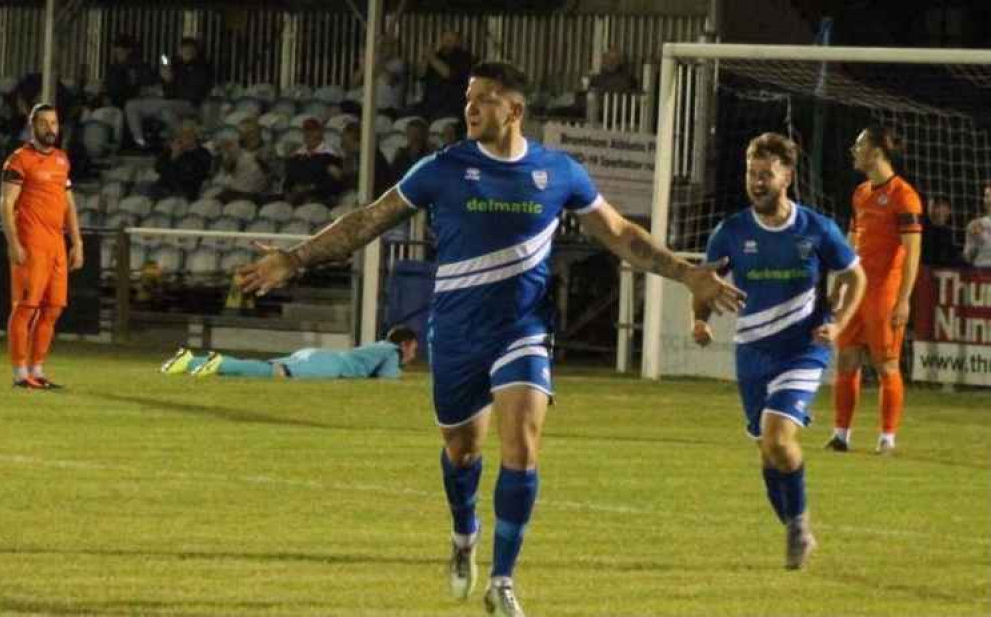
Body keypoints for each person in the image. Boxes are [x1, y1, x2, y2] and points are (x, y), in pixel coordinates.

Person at [238, 61, 744, 616]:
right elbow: (367, 220)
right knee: (462, 451)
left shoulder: (559, 172)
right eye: (468, 98)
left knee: (522, 447)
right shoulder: (442, 168)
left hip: (523, 330)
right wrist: (296, 257)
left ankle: (502, 580)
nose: (470, 108)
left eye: (483, 98)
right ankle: (463, 535)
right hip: (457, 335)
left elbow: (622, 236)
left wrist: (687, 272)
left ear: (515, 110)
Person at [693, 132, 866, 570]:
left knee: (778, 437)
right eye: (752, 174)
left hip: (803, 351)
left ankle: (800, 523)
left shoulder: (816, 229)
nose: (756, 182)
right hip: (752, 354)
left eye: (765, 174)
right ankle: (794, 527)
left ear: (787, 176)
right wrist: (699, 319)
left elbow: (854, 277)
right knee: (767, 450)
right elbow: (705, 281)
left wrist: (839, 322)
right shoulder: (731, 232)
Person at [826, 126, 922, 455]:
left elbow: (912, 252)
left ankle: (887, 439)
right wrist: (839, 283)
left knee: (886, 364)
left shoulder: (904, 195)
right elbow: (851, 246)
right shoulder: (861, 193)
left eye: (860, 144)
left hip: (885, 292)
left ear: (877, 152)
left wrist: (904, 299)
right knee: (847, 359)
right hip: (857, 291)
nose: (854, 150)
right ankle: (841, 435)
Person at [0, 103, 85, 389]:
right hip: (31, 243)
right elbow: (6, 203)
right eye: (44, 123)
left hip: (57, 244)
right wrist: (13, 243)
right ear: (32, 125)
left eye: (55, 123)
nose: (51, 129)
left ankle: (37, 368)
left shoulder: (62, 160)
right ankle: (19, 373)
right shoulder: (18, 160)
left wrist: (78, 242)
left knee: (53, 309)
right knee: (26, 307)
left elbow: (68, 204)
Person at [160, 326, 418, 379]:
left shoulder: (378, 347)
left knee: (263, 368)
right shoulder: (392, 351)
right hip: (330, 366)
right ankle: (220, 363)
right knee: (277, 373)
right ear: (405, 344)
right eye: (413, 350)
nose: (413, 356)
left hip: (317, 355)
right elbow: (388, 379)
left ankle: (191, 361)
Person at [125, 37, 213, 150]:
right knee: (132, 105)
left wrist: (173, 80)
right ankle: (140, 142)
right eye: (184, 49)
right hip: (170, 103)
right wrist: (165, 79)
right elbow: (164, 76)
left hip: (190, 104)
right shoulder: (175, 64)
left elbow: (195, 92)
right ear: (180, 50)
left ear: (195, 51)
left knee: (165, 108)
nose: (186, 52)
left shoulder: (202, 66)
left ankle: (189, 143)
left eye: (190, 49)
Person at [282, 117, 344, 206]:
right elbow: (289, 177)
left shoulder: (331, 155)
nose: (310, 134)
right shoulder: (297, 155)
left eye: (313, 130)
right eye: (307, 131)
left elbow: (334, 182)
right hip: (297, 196)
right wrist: (288, 191)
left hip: (320, 197)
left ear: (320, 132)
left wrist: (310, 188)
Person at [210, 117, 273, 203]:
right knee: (213, 203)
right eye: (246, 133)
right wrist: (230, 155)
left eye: (252, 132)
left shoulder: (267, 149)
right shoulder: (237, 149)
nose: (250, 136)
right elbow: (227, 170)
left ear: (259, 132)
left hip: (254, 194)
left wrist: (260, 159)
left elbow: (271, 175)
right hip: (235, 191)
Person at [417, 30, 474, 121]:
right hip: (429, 105)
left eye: (451, 39)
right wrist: (425, 58)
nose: (447, 42)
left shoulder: (464, 57)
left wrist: (431, 57)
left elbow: (449, 74)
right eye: (445, 39)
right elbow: (421, 74)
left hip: (451, 107)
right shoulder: (437, 56)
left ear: (458, 41)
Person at [150, 123, 212, 201]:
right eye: (182, 135)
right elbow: (158, 168)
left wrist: (174, 160)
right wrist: (173, 156)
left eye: (188, 136)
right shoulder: (173, 150)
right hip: (163, 187)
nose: (184, 138)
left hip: (184, 190)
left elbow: (187, 175)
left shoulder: (203, 154)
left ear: (195, 137)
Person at [351, 35, 406, 118]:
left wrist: (377, 60)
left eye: (386, 46)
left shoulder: (398, 63)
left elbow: (389, 80)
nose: (382, 49)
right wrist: (363, 66)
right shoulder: (372, 61)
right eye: (380, 46)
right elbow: (353, 84)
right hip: (365, 104)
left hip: (386, 107)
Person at [103, 35, 153, 110]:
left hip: (130, 104)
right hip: (113, 104)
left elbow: (138, 88)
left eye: (120, 53)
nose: (118, 56)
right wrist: (105, 96)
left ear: (129, 50)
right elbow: (107, 85)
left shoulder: (138, 67)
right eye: (116, 54)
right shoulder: (113, 68)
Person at [921, 194, 962, 268]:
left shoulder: (948, 232)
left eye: (944, 207)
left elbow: (953, 256)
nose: (940, 211)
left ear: (949, 211)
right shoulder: (922, 230)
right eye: (937, 206)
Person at [963, 182, 991, 268]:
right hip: (980, 275)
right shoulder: (974, 224)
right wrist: (976, 240)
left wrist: (985, 237)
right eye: (986, 196)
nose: (989, 199)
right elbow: (967, 257)